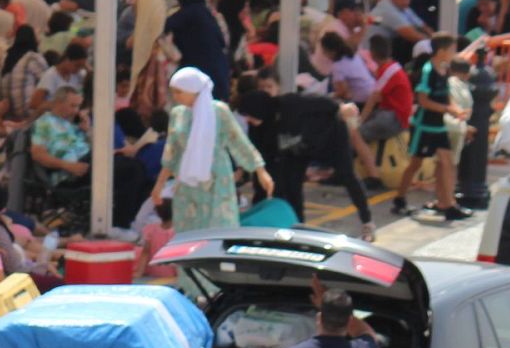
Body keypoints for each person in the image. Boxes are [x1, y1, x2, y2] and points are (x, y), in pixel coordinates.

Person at [236, 73, 375, 242]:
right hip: (298, 150)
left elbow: (321, 102)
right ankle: (298, 228)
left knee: (347, 174)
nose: (248, 120)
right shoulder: (258, 129)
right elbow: (265, 166)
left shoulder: (289, 103)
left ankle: (367, 221)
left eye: (250, 115)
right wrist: (260, 201)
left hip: (330, 136)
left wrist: (340, 108)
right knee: (290, 186)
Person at [149, 68, 273, 233]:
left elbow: (238, 142)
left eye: (180, 92)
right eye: (174, 92)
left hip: (216, 180)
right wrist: (159, 185)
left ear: (194, 91)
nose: (176, 97)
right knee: (188, 231)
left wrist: (260, 170)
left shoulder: (218, 111)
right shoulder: (177, 114)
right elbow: (172, 153)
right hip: (187, 183)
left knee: (218, 228)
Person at [394, 36, 469, 220]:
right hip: (424, 126)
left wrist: (456, 109)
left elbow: (446, 96)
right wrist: (447, 109)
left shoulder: (444, 69)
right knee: (415, 164)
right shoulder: (428, 71)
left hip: (439, 126)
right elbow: (423, 100)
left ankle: (447, 203)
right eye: (452, 50)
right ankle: (399, 199)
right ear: (442, 51)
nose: (454, 54)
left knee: (446, 162)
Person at [352, 34, 412, 185]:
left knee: (355, 135)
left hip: (393, 117)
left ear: (372, 53)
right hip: (392, 114)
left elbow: (373, 98)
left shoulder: (387, 71)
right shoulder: (392, 67)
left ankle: (373, 176)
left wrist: (359, 121)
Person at [164, 0, 230, 102]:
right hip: (218, 68)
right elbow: (221, 40)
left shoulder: (188, 13)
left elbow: (163, 27)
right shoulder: (207, 13)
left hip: (200, 67)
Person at [370, 0, 431, 66]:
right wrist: (436, 44)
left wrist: (434, 36)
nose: (406, 2)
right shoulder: (387, 10)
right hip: (372, 56)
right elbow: (413, 35)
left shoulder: (402, 7)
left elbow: (422, 25)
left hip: (383, 51)